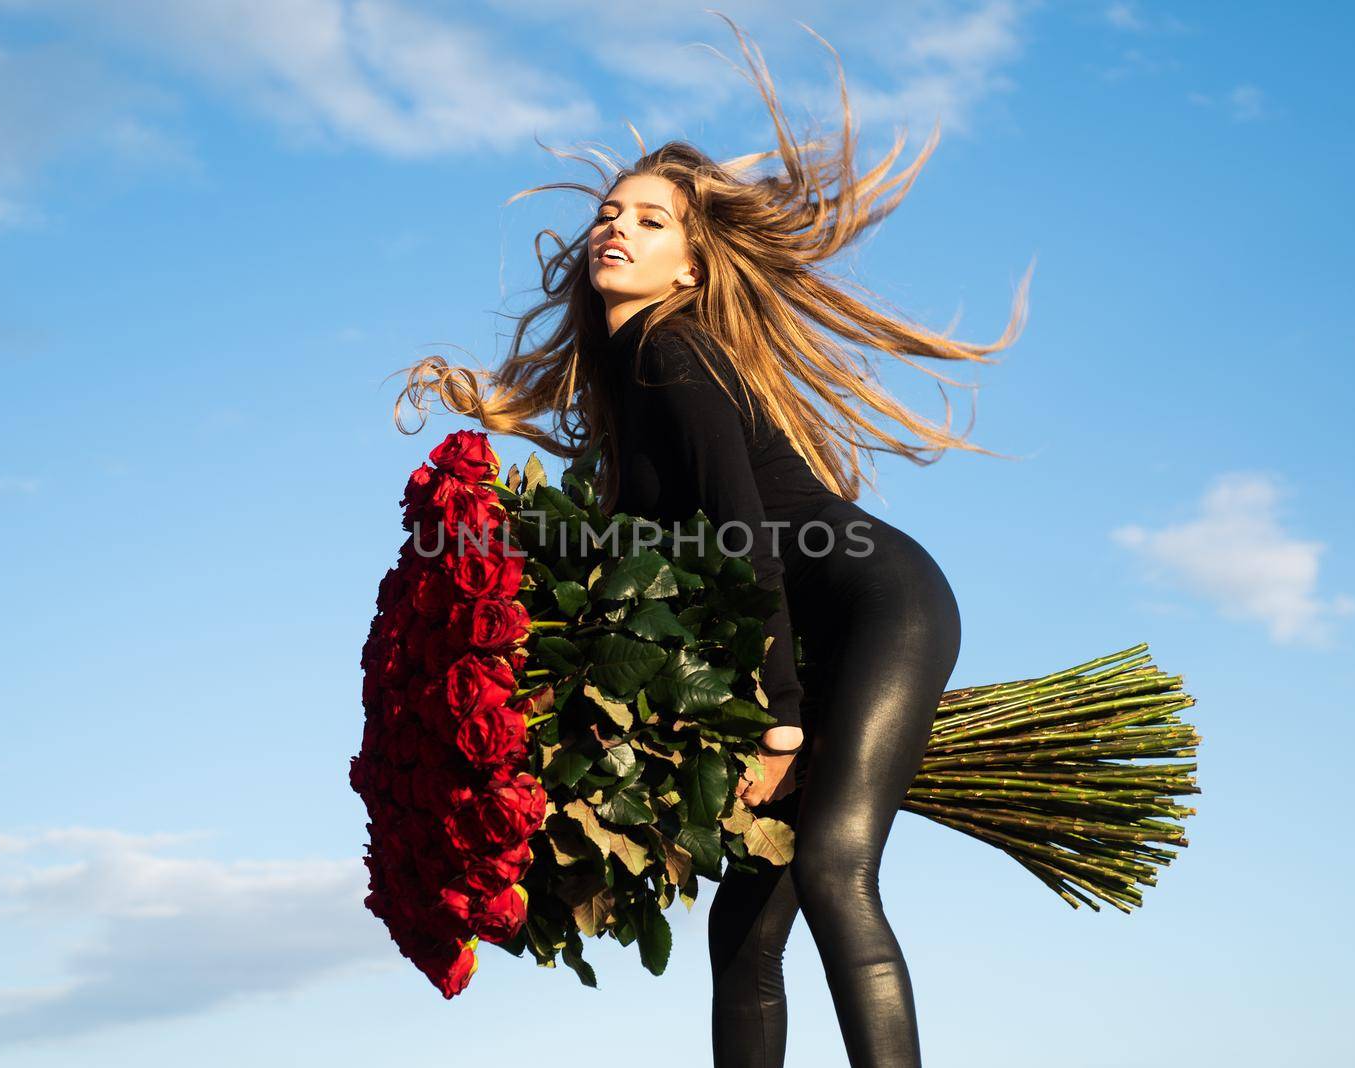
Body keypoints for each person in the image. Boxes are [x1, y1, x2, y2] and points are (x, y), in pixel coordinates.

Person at [395, 15, 1030, 1066]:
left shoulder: (675, 356)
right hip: (814, 635)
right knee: (743, 925)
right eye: (610, 214)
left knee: (832, 869)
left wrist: (778, 720)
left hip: (880, 606)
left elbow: (742, 539)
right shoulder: (626, 391)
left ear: (691, 263)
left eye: (649, 221)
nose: (616, 229)